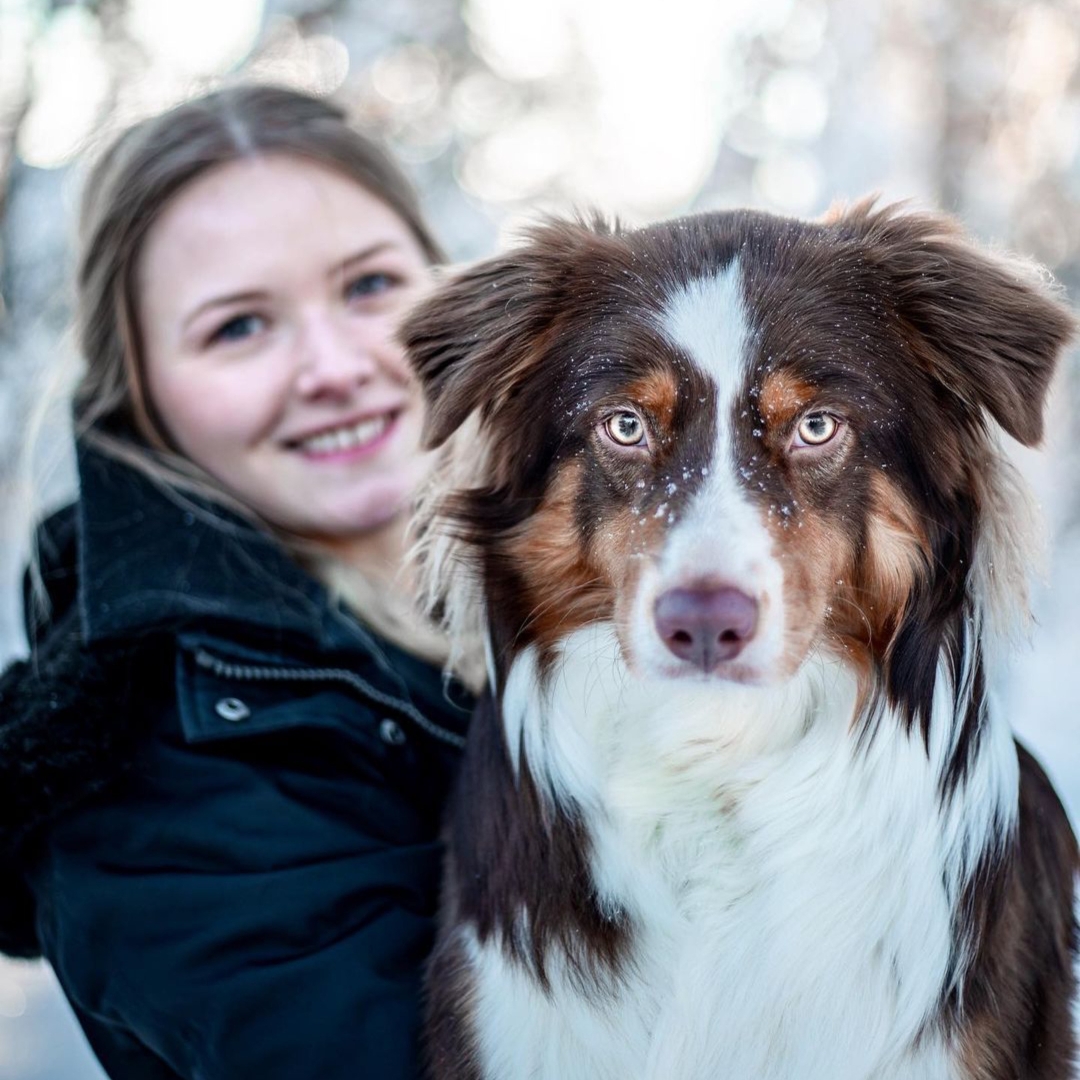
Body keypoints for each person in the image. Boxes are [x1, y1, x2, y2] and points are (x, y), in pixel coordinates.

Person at [0, 84, 475, 1079]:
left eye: (370, 286)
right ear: (140, 401)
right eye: (237, 329)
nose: (337, 366)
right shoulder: (154, 772)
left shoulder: (585, 605)